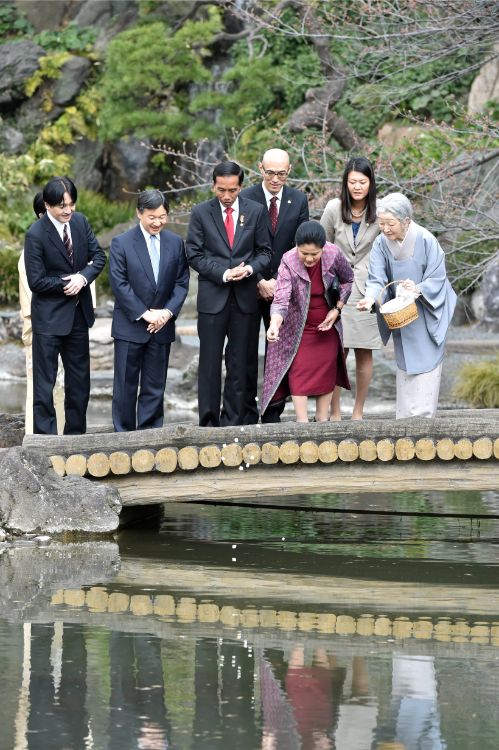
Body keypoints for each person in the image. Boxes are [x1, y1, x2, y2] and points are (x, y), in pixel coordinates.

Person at [185, 160, 271, 427]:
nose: (226, 196)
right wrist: (223, 273)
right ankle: (208, 422)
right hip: (213, 297)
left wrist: (250, 271)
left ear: (240, 187)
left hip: (245, 297)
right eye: (221, 190)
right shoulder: (200, 213)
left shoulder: (255, 211)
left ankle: (233, 421)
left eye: (232, 190)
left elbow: (265, 252)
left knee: (240, 362)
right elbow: (194, 254)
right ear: (213, 186)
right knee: (209, 363)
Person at [357, 192, 457, 419]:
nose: (385, 229)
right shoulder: (381, 243)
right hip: (401, 314)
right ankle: (404, 423)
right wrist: (371, 297)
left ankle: (423, 422)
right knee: (405, 369)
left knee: (426, 369)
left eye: (390, 224)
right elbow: (377, 278)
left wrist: (418, 287)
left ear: (406, 221)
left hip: (425, 311)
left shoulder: (426, 239)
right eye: (381, 224)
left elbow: (438, 278)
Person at [24, 176, 106, 434]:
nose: (68, 210)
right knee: (44, 385)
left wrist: (83, 278)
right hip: (48, 320)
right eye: (62, 206)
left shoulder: (80, 222)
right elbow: (36, 281)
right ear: (47, 205)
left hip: (79, 316)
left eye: (71, 204)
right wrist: (66, 284)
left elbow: (99, 256)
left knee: (80, 382)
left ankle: (76, 436)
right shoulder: (35, 234)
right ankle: (45, 442)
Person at [109, 190, 189, 432]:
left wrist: (166, 313)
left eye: (162, 216)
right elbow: (119, 284)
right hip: (131, 325)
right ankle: (122, 437)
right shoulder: (121, 243)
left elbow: (182, 282)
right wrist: (146, 314)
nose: (157, 222)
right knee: (125, 386)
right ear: (139, 213)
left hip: (162, 325)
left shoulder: (175, 243)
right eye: (152, 217)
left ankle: (150, 436)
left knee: (155, 386)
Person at [240, 148, 309, 423]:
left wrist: (280, 284)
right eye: (270, 173)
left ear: (289, 171)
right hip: (248, 286)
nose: (275, 179)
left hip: (283, 288)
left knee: (278, 349)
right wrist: (258, 280)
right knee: (243, 349)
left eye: (281, 173)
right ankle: (243, 410)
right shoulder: (245, 197)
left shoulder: (298, 199)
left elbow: (300, 248)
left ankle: (272, 411)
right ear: (260, 169)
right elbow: (239, 244)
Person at [261, 221, 353, 423]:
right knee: (298, 373)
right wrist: (275, 324)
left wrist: (337, 309)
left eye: (315, 254)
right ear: (296, 246)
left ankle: (322, 421)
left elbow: (348, 280)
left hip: (326, 326)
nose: (309, 258)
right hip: (298, 328)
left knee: (326, 373)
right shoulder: (288, 260)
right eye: (305, 253)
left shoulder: (333, 253)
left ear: (323, 248)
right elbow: (281, 297)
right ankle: (302, 423)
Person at [320, 156, 381, 420]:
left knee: (364, 351)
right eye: (352, 181)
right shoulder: (334, 208)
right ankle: (335, 412)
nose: (357, 187)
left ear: (371, 183)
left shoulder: (380, 211)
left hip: (368, 291)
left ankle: (358, 411)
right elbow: (321, 245)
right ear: (345, 183)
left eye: (362, 182)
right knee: (336, 352)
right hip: (337, 289)